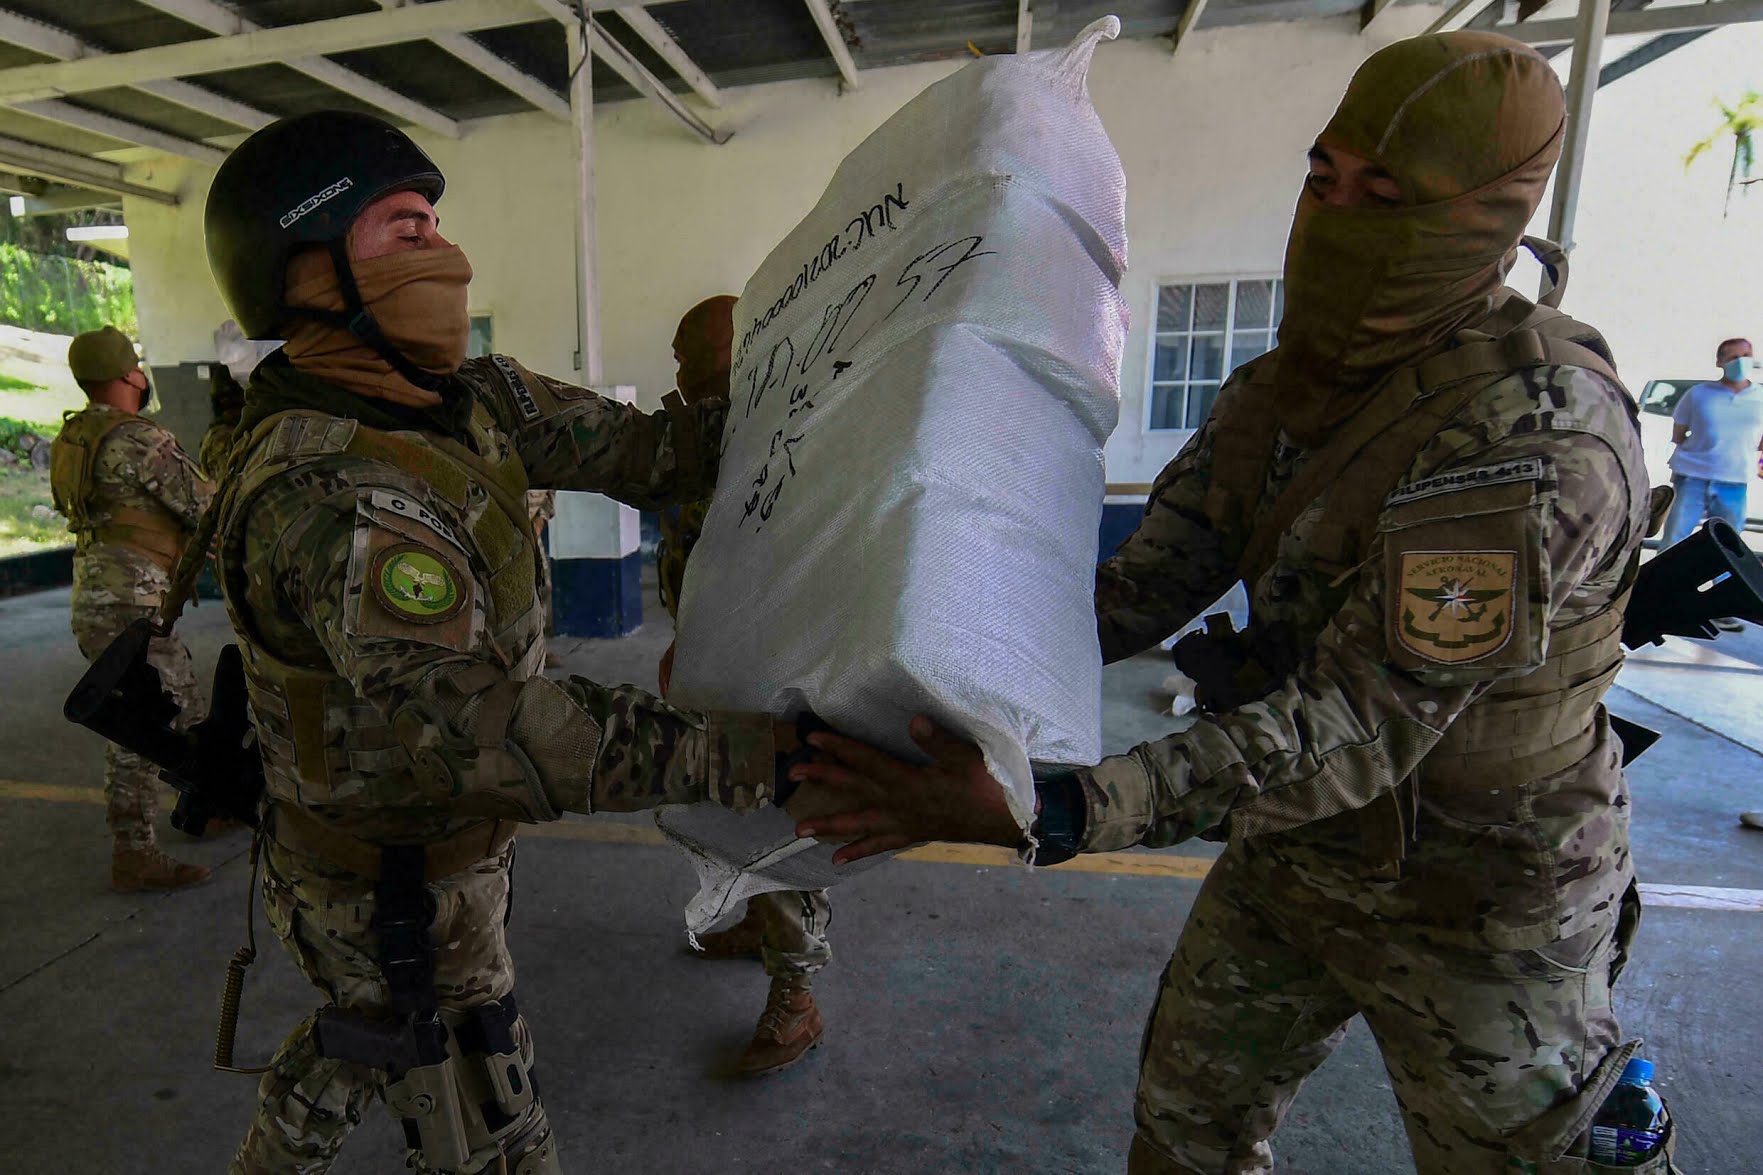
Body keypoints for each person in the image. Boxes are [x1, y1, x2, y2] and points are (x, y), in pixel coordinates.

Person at [791, 32, 1678, 1175]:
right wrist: (867, 658)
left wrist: (1055, 810)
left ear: (1486, 215)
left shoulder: (1533, 430)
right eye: (1324, 179)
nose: (1337, 215)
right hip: (1297, 849)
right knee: (1181, 1131)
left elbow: (1354, 725)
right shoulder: (1279, 392)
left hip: (1485, 899)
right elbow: (1127, 592)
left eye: (1386, 195)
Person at [202, 111, 808, 1175]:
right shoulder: (329, 491)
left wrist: (841, 389)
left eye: (438, 224)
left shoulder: (468, 403)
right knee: (483, 1108)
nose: (445, 254)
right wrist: (761, 755)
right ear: (302, 273)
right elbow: (486, 730)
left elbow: (660, 448)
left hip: (439, 855)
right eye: (402, 230)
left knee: (363, 1027)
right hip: (387, 878)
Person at [655, 293, 832, 1077]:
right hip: (712, 677)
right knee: (724, 825)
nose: (683, 375)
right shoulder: (710, 441)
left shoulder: (790, 439)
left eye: (694, 360)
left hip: (776, 687)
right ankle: (756, 926)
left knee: (780, 840)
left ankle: (797, 997)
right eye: (682, 362)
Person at [50, 325, 215, 892]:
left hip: (99, 595)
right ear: (128, 375)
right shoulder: (137, 439)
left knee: (184, 705)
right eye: (138, 368)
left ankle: (207, 799)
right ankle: (134, 851)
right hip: (132, 602)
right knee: (142, 727)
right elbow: (207, 509)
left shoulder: (76, 435)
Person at [1662, 337, 1760, 632]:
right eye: (1733, 356)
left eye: (1746, 354)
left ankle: (1720, 604)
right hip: (1692, 474)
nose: (1740, 361)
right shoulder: (1698, 395)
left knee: (1729, 544)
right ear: (1719, 362)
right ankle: (1665, 597)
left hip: (1734, 480)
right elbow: (1679, 433)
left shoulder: (1760, 398)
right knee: (1677, 537)